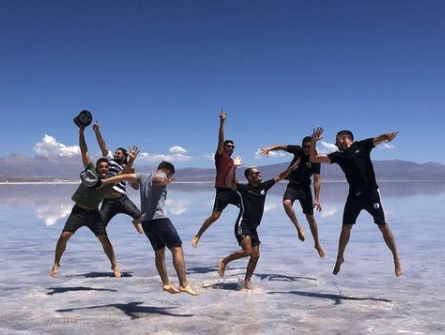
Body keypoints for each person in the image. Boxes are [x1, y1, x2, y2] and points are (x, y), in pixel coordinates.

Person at [309, 127, 402, 277]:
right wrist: (313, 142)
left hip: (371, 194)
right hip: (354, 196)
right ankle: (340, 257)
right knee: (346, 228)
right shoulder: (338, 156)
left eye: (336, 139)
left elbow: (377, 139)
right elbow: (314, 158)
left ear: (344, 138)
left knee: (383, 226)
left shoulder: (362, 146)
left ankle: (396, 259)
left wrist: (386, 137)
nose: (335, 143)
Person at [101, 161, 199, 296]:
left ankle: (166, 283)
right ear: (168, 171)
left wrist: (105, 182)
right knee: (177, 249)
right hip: (160, 220)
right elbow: (158, 179)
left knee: (159, 253)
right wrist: (163, 181)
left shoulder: (142, 176)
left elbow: (123, 177)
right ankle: (184, 284)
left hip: (146, 222)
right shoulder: (162, 174)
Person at [49, 125, 122, 279]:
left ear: (108, 169)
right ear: (97, 167)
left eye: (105, 167)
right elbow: (85, 151)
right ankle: (56, 262)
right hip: (78, 211)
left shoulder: (109, 180)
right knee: (63, 236)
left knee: (104, 240)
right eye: (101, 166)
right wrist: (81, 132)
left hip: (94, 213)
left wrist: (132, 160)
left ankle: (114, 264)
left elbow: (126, 175)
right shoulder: (90, 171)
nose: (103, 168)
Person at [217, 156, 300, 289]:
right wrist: (234, 168)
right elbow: (228, 183)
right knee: (248, 251)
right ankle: (224, 261)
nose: (259, 174)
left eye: (259, 172)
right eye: (255, 173)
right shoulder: (243, 189)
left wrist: (291, 168)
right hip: (242, 224)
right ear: (249, 177)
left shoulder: (264, 187)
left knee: (256, 255)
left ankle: (247, 281)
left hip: (253, 227)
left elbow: (279, 177)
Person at [259, 136, 325, 258]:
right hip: (293, 186)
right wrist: (269, 148)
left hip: (305, 189)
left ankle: (317, 243)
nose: (306, 149)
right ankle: (299, 228)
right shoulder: (297, 150)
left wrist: (317, 198)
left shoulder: (315, 159)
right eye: (304, 146)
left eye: (309, 147)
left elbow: (317, 180)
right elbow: (282, 147)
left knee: (310, 218)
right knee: (286, 203)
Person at [191, 110, 240, 247]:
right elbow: (220, 139)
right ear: (224, 147)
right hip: (222, 192)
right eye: (228, 146)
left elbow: (233, 177)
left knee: (247, 207)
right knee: (215, 217)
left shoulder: (231, 161)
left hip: (232, 190)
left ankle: (245, 233)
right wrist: (222, 122)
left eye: (232, 147)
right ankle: (197, 235)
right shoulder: (220, 156)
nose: (230, 148)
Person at [92, 120, 143, 234]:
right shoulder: (110, 161)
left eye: (118, 153)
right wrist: (97, 131)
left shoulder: (128, 168)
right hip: (107, 201)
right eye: (115, 152)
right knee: (99, 228)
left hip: (122, 200)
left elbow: (135, 187)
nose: (115, 154)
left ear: (125, 156)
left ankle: (135, 222)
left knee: (142, 218)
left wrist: (134, 177)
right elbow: (102, 145)